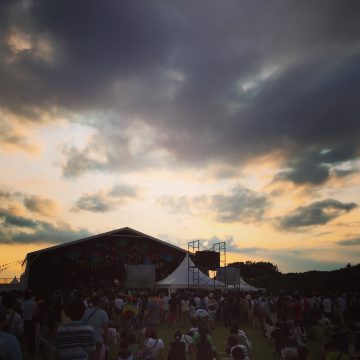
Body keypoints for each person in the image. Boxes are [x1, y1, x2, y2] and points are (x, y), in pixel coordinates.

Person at [81, 295, 109, 360]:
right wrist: (106, 341)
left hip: (87, 339)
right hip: (98, 340)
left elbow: (82, 325)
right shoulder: (103, 313)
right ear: (99, 302)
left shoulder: (86, 312)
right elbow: (106, 328)